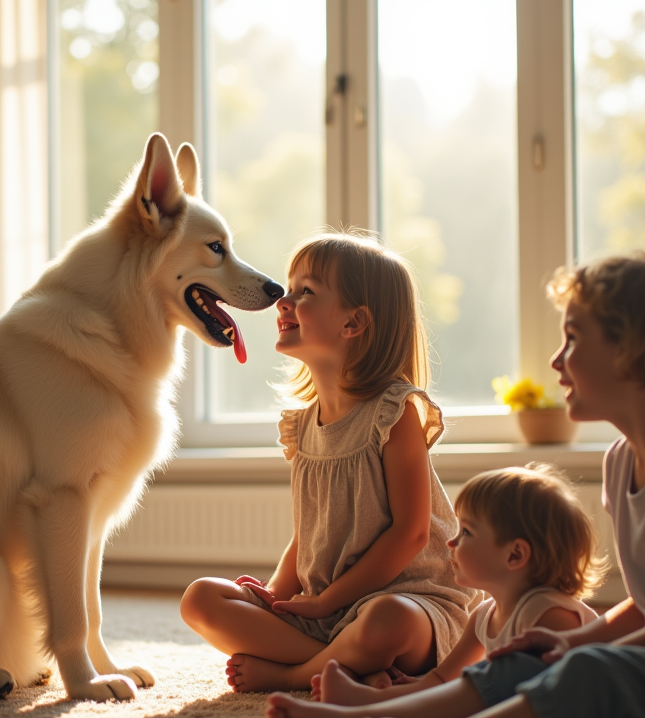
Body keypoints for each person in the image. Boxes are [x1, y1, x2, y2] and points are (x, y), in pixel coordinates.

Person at [265, 252, 645, 718]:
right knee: (526, 660)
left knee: (593, 674)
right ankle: (368, 716)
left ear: (636, 352)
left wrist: (588, 653)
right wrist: (569, 640)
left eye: (574, 338)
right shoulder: (622, 461)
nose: (557, 360)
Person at [179, 231, 477, 693]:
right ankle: (346, 664)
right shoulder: (301, 426)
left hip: (411, 602)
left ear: (353, 323)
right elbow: (309, 531)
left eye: (306, 293)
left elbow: (411, 532)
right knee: (200, 598)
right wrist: (278, 595)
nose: (284, 300)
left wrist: (327, 602)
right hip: (330, 609)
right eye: (289, 286)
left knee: (386, 619)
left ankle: (297, 673)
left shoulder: (393, 414)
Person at [313, 464, 604, 709]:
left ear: (514, 555)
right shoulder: (483, 615)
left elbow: (548, 698)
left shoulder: (549, 616)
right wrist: (406, 687)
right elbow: (441, 680)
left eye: (466, 532)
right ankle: (366, 701)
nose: (451, 542)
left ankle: (361, 705)